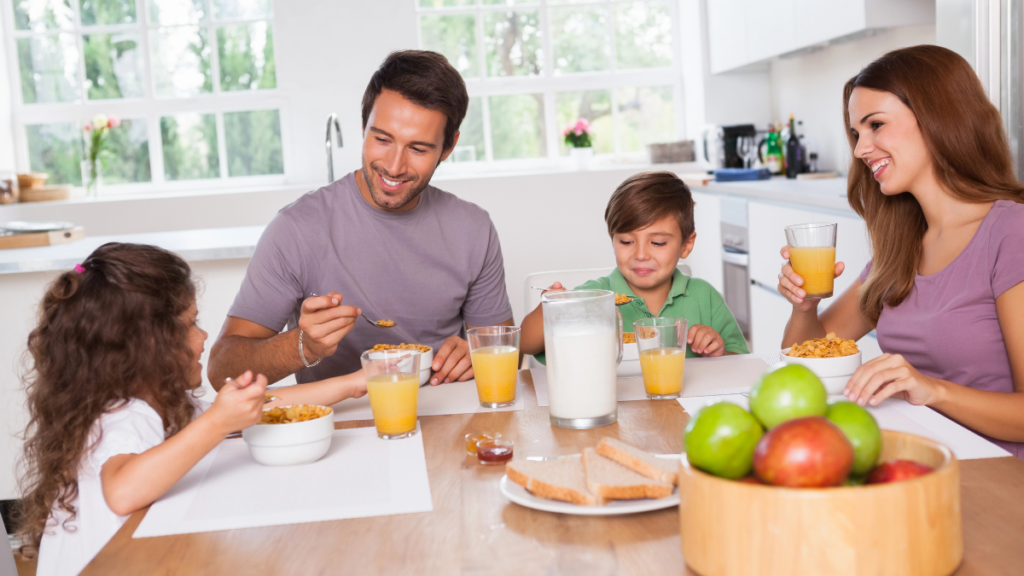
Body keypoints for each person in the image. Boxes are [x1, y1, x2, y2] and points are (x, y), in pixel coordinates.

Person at [16, 244, 368, 576]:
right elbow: (123, 492)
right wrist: (217, 422)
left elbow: (260, 404)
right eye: (190, 325)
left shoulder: (166, 404)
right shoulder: (121, 413)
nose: (203, 337)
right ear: (147, 346)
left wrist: (355, 382)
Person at [208, 50, 514, 391]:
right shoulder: (296, 229)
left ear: (448, 147)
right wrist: (303, 346)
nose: (394, 167)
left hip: (447, 416)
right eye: (382, 139)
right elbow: (222, 372)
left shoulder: (473, 229)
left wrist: (477, 352)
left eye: (418, 148)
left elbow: (502, 348)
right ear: (364, 125)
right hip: (342, 425)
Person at [777, 45, 1024, 457]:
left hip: (996, 479)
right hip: (914, 460)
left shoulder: (1011, 232)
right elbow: (807, 358)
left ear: (937, 116)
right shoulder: (901, 248)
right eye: (857, 133)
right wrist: (805, 306)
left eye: (875, 125)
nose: (860, 149)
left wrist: (931, 390)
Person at [520, 171, 749, 360]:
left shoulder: (705, 298)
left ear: (686, 245)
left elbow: (740, 362)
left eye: (658, 242)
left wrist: (718, 353)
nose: (640, 254)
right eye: (626, 241)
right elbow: (526, 344)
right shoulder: (593, 299)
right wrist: (549, 310)